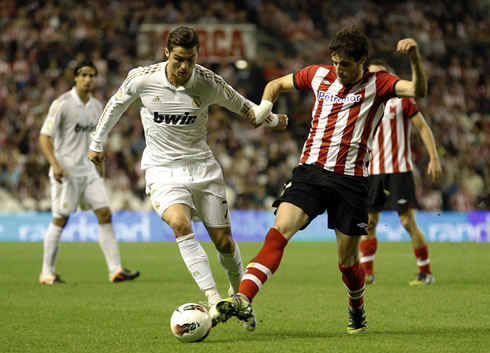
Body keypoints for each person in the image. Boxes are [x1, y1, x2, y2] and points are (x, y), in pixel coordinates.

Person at [216, 26, 428, 334]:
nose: (339, 70)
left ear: (362, 61)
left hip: (351, 182)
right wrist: (264, 110)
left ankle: (357, 308)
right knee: (280, 230)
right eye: (336, 62)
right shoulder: (318, 75)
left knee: (347, 262)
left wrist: (415, 59)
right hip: (310, 172)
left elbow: (417, 91)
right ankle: (243, 298)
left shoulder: (379, 83)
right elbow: (275, 85)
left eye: (346, 64)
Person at [87, 27, 287, 327]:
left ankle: (239, 298)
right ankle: (212, 298)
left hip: (202, 168)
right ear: (167, 52)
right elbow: (115, 105)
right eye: (179, 58)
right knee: (179, 223)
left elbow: (246, 109)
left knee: (224, 242)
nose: (184, 66)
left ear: (197, 56)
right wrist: (96, 142)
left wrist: (272, 119)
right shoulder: (142, 78)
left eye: (190, 59)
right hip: (162, 169)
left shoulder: (208, 83)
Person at [39, 60, 140, 284]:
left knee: (105, 214)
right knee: (60, 220)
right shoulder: (62, 104)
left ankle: (115, 270)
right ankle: (47, 273)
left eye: (92, 75)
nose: (88, 79)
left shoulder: (96, 106)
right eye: (83, 75)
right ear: (75, 78)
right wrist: (55, 164)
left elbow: (97, 140)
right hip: (66, 172)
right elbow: (44, 136)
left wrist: (100, 167)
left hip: (90, 172)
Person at [359, 59, 442, 286]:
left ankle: (426, 273)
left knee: (407, 222)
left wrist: (434, 157)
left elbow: (422, 127)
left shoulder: (402, 100)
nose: (377, 79)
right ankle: (367, 274)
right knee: (369, 223)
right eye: (373, 75)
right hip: (372, 172)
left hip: (398, 170)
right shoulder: (365, 103)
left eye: (381, 74)